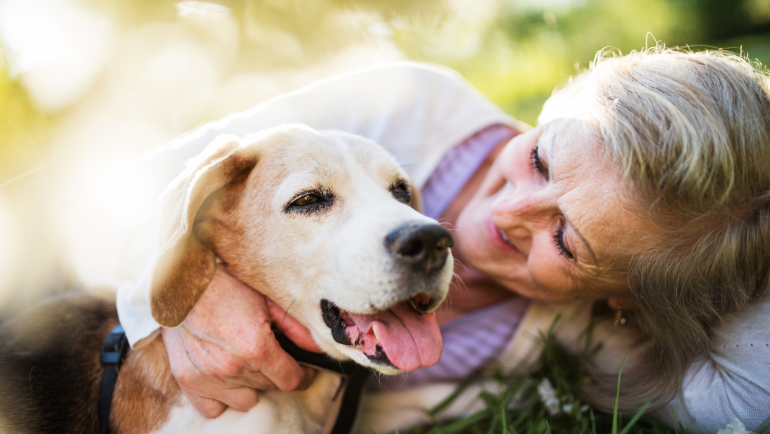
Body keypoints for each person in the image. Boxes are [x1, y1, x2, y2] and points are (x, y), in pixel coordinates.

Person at [106, 47, 770, 433]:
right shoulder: (410, 103)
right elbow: (118, 189)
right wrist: (177, 298)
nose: (506, 214)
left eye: (567, 242)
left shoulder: (583, 329)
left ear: (624, 297)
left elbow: (749, 398)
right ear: (553, 109)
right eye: (540, 160)